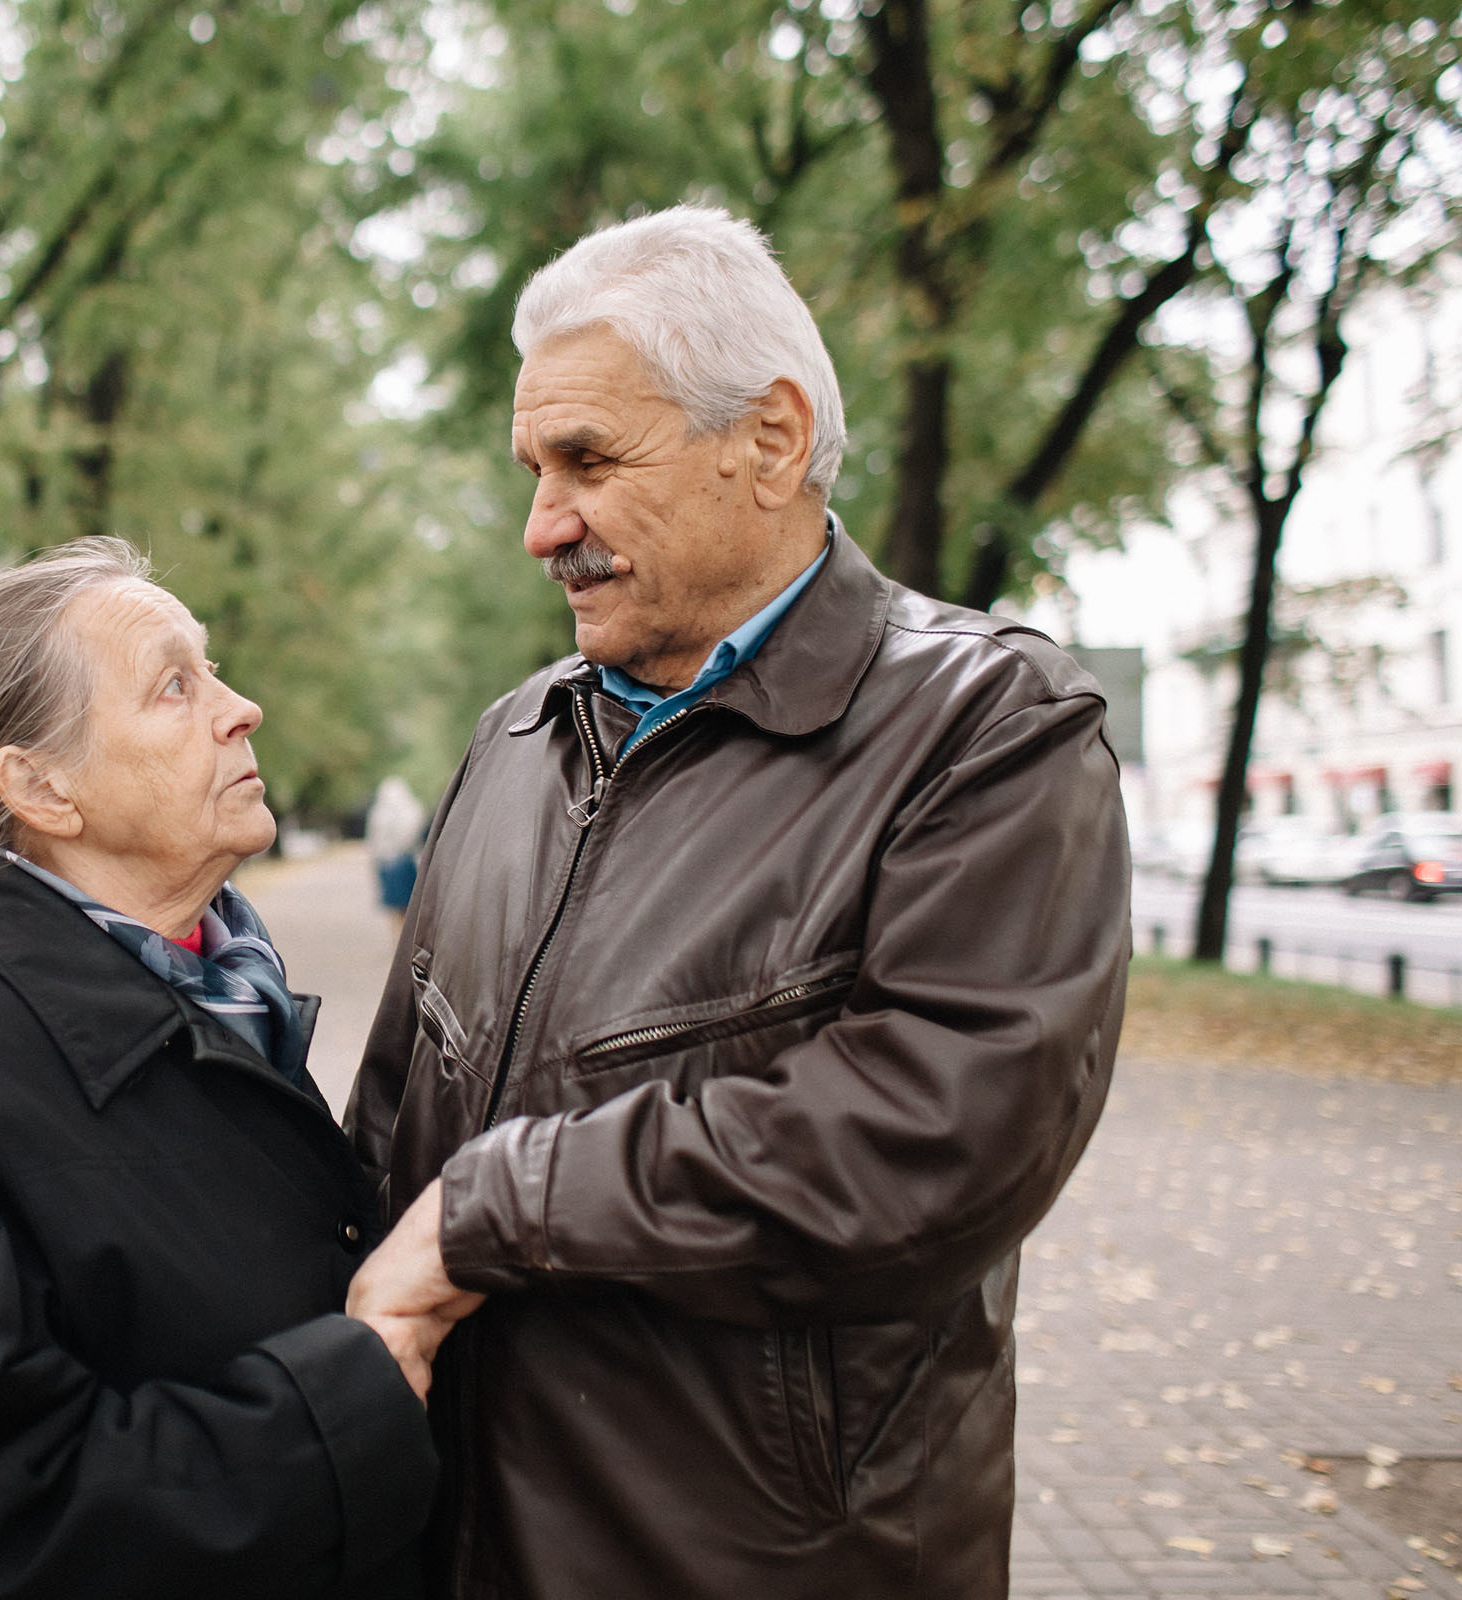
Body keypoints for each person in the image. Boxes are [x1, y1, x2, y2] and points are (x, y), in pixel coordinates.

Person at [343, 206, 1131, 1598]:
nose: (544, 526)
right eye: (534, 469)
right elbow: (394, 1116)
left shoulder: (991, 727)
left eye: (587, 460)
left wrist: (500, 1204)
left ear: (768, 440)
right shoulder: (516, 737)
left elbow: (928, 1144)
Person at [0, 538, 448, 1600]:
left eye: (212, 669)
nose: (242, 707)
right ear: (41, 786)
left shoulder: (221, 990)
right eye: (176, 686)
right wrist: (350, 1393)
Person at [364, 776, 427, 922]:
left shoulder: (378, 812)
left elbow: (374, 840)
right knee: (408, 907)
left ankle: (397, 939)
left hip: (387, 862)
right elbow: (416, 835)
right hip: (405, 860)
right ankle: (405, 938)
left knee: (394, 910)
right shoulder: (413, 808)